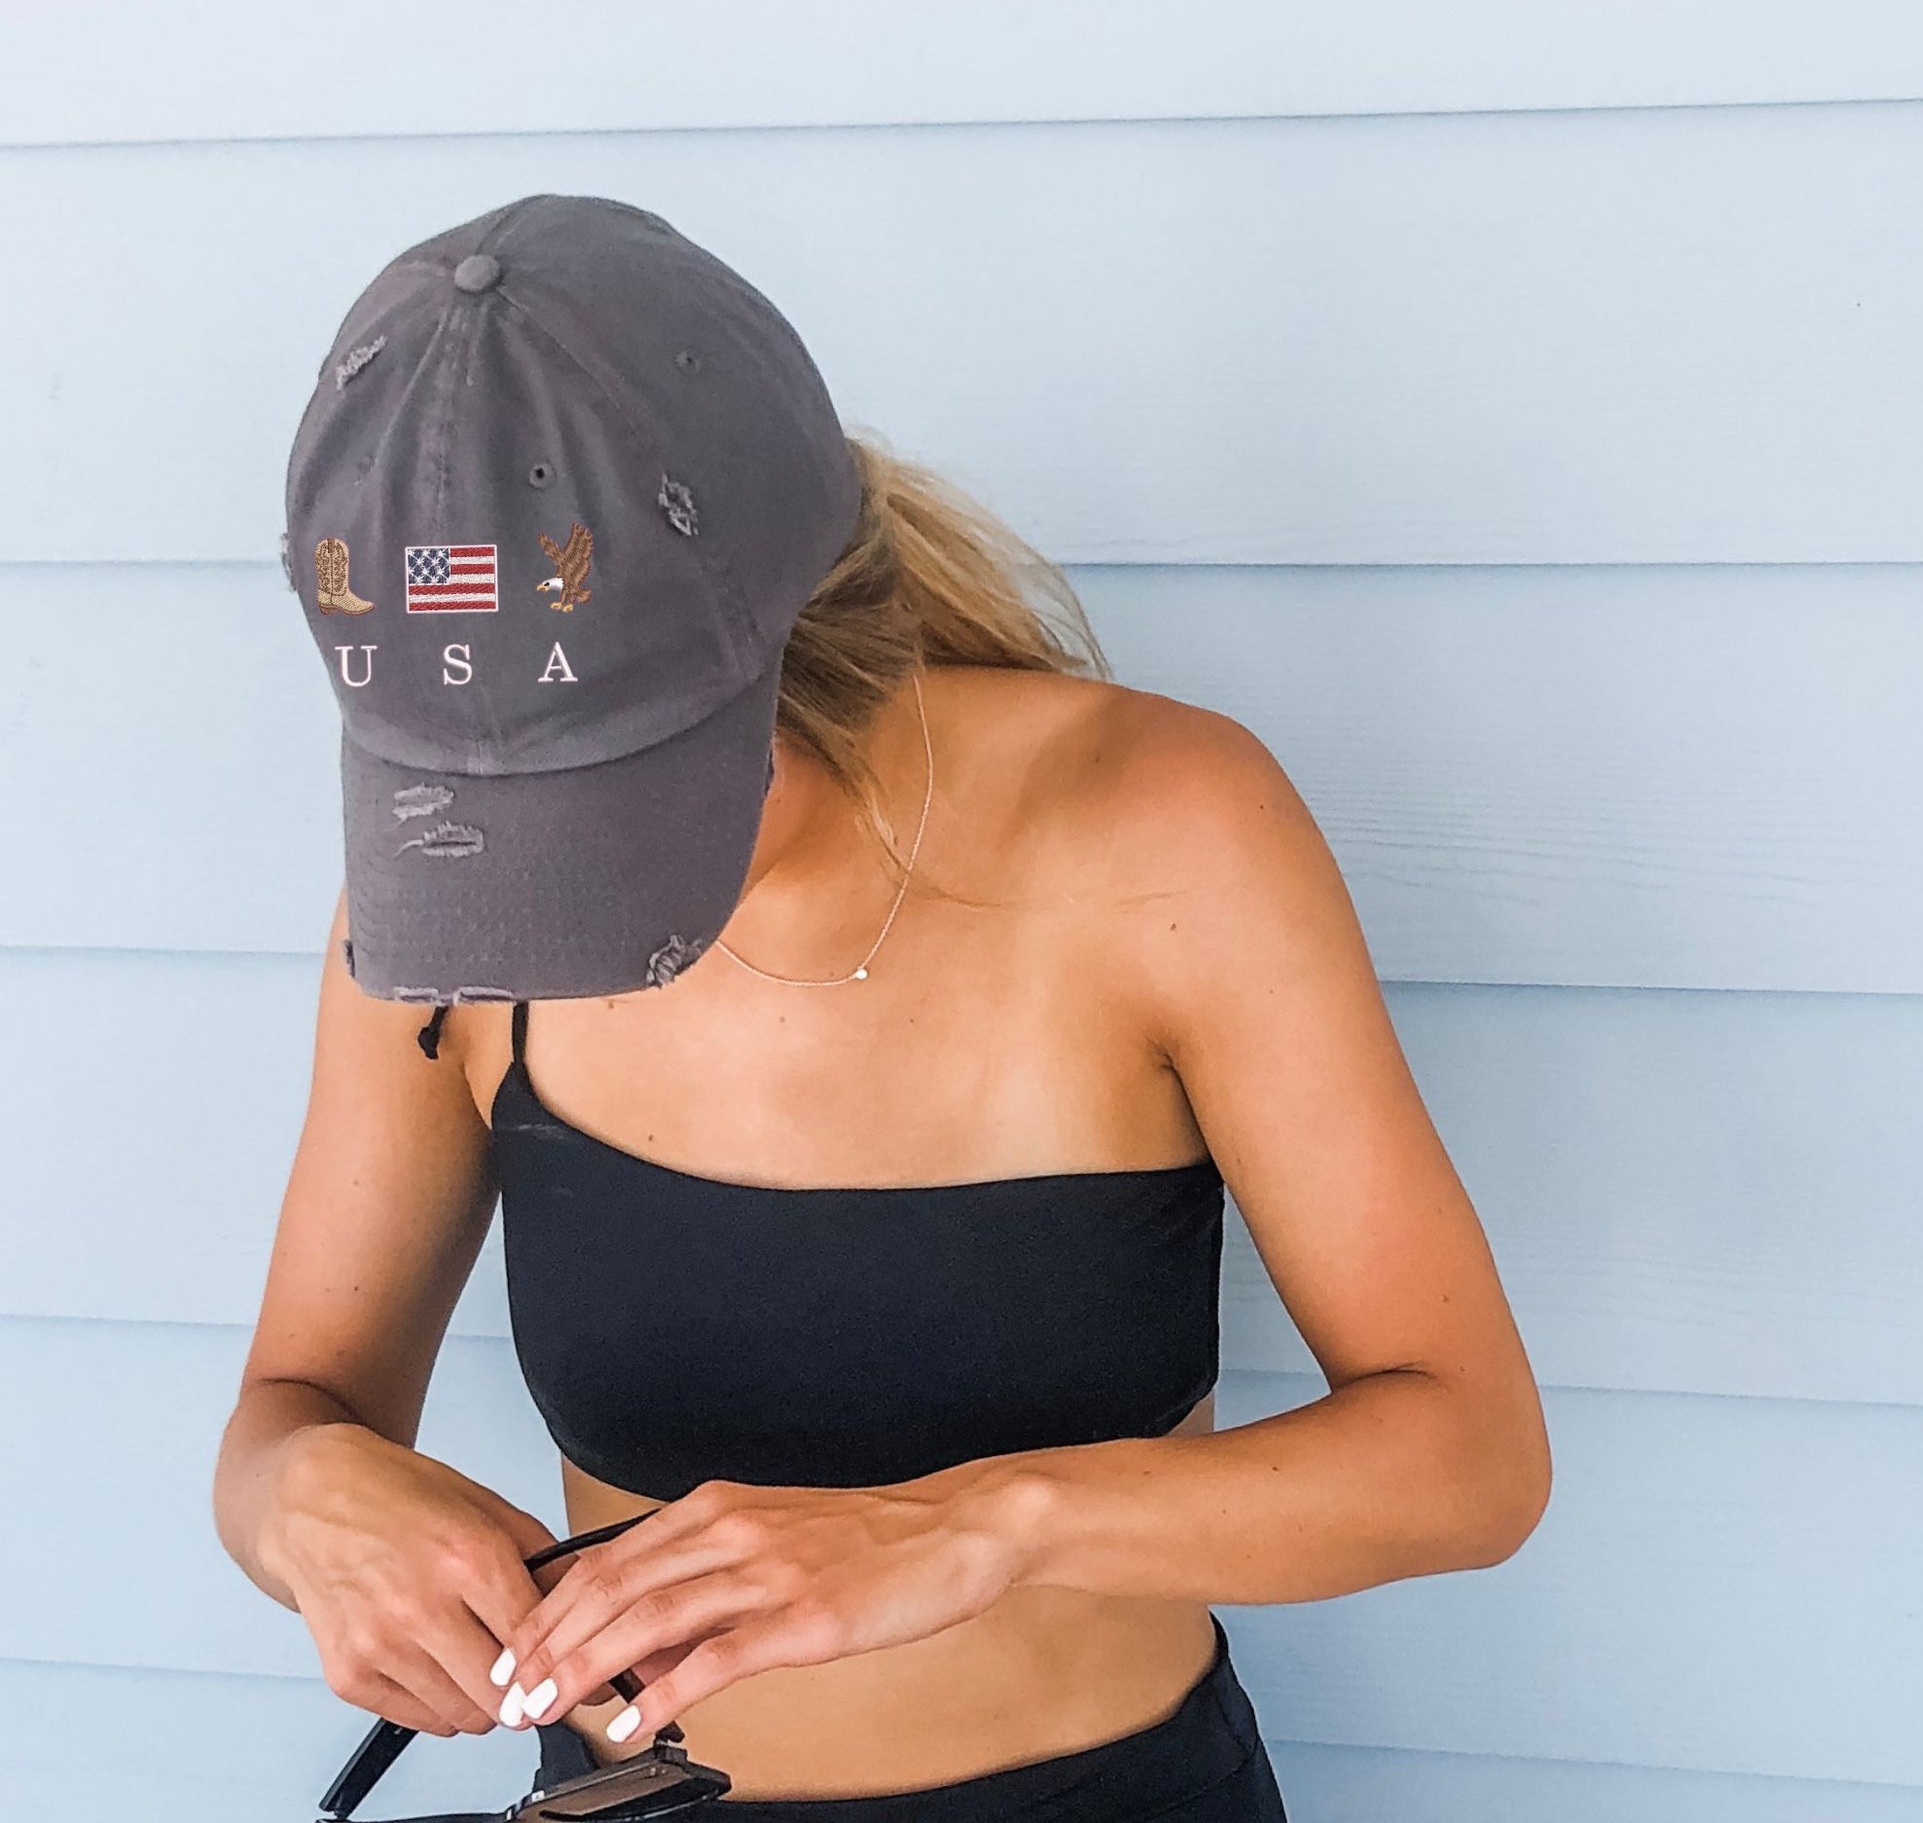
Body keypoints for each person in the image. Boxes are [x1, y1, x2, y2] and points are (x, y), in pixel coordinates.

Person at [212, 194, 1551, 1821]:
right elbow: (286, 1420)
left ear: (785, 634)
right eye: (488, 813)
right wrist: (312, 1498)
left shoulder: (1163, 830)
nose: (552, 899)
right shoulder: (448, 888)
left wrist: (990, 1524)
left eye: (607, 805)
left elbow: (1469, 1458)